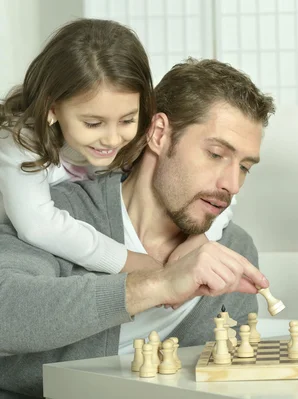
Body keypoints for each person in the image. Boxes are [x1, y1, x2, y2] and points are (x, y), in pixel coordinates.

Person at [0, 57, 276, 399]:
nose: (232, 184)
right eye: (216, 154)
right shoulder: (62, 213)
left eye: (245, 167)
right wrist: (159, 284)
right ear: (159, 134)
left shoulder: (234, 251)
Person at [0, 18, 235, 279]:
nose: (112, 139)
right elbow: (38, 227)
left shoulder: (145, 133)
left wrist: (198, 239)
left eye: (127, 120)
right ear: (52, 108)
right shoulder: (20, 140)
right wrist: (132, 262)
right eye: (93, 123)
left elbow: (219, 192)